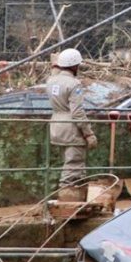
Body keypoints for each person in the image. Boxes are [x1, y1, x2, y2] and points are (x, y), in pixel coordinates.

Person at [47, 48, 97, 202]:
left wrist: (55, 65)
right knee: (74, 164)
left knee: (68, 162)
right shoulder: (74, 84)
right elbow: (77, 112)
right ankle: (69, 199)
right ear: (75, 66)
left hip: (56, 125)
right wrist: (88, 133)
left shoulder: (51, 80)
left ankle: (76, 196)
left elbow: (56, 75)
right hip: (71, 128)